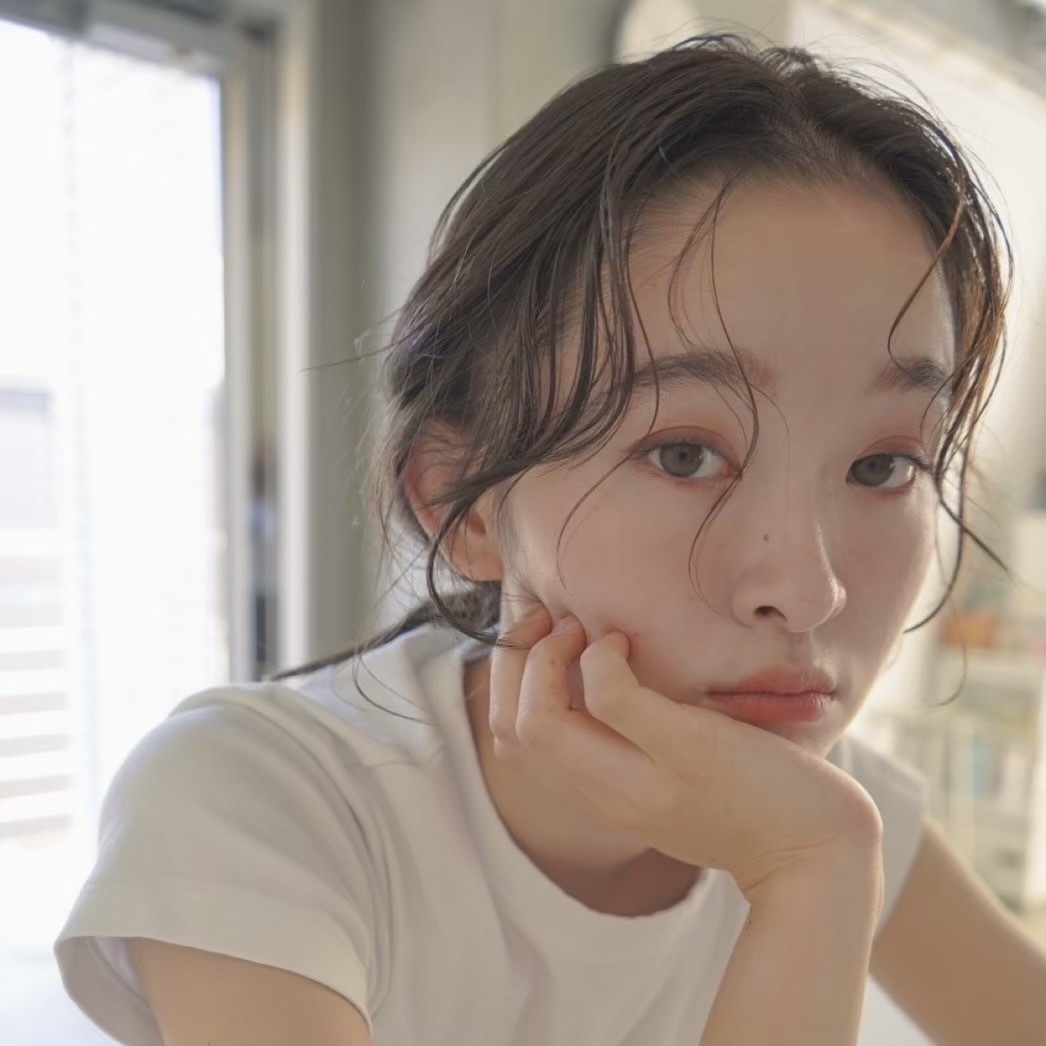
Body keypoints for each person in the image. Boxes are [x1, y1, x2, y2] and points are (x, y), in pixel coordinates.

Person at [54, 32, 1046, 1046]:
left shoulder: (823, 812)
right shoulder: (259, 799)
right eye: (683, 454)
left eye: (882, 466)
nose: (805, 589)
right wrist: (806, 881)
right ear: (465, 504)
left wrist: (818, 865)